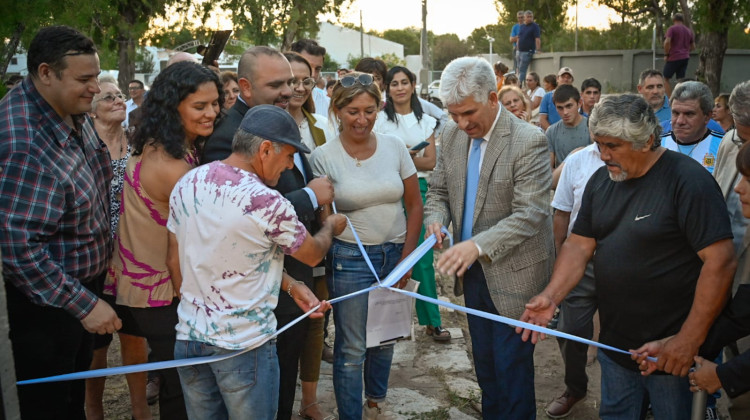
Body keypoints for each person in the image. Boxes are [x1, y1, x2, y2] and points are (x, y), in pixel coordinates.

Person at [518, 93, 736, 419]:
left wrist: (687, 339)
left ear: (647, 141)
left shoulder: (688, 182)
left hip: (671, 353)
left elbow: (721, 261)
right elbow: (579, 245)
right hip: (616, 348)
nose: (603, 155)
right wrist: (551, 296)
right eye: (599, 144)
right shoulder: (601, 181)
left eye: (613, 146)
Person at [167, 105, 343, 420]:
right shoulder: (267, 202)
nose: (290, 166)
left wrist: (291, 286)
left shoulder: (188, 182)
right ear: (264, 150)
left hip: (190, 340)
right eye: (288, 156)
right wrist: (331, 225)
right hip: (245, 347)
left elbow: (178, 258)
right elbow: (313, 252)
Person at [0, 25, 121, 419]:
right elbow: (18, 248)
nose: (95, 89)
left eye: (96, 77)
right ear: (46, 73)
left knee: (70, 399)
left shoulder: (71, 108)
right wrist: (84, 305)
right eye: (84, 80)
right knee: (48, 406)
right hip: (45, 307)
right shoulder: (23, 143)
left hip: (78, 288)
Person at [424, 56, 553, 418]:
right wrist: (436, 220)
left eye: (468, 113)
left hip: (514, 274)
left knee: (511, 370)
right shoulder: (449, 135)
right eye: (453, 114)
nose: (462, 123)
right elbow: (438, 192)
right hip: (473, 274)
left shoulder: (529, 141)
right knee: (484, 365)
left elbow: (531, 213)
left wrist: (477, 245)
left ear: (493, 99)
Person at [104, 61, 222, 420]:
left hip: (144, 287)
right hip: (158, 294)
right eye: (200, 106)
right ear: (172, 108)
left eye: (215, 103)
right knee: (183, 392)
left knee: (179, 386)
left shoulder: (161, 144)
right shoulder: (173, 167)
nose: (212, 113)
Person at [310, 72, 423, 419]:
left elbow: (415, 205)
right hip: (351, 259)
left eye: (370, 110)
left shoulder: (394, 147)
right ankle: (350, 414)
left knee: (386, 335)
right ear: (337, 111)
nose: (362, 119)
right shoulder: (323, 156)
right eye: (353, 111)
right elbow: (326, 219)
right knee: (353, 345)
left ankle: (376, 400)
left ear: (380, 108)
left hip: (395, 253)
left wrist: (407, 259)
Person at [84, 76, 146, 420]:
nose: (119, 100)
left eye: (121, 95)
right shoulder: (82, 146)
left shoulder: (138, 144)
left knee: (135, 336)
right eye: (109, 97)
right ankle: (94, 408)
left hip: (133, 256)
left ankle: (140, 410)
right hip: (95, 260)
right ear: (92, 111)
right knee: (97, 344)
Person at [374, 66, 450, 343]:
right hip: (388, 191)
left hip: (418, 190)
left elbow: (430, 161)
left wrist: (400, 158)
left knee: (422, 258)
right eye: (394, 83)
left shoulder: (425, 120)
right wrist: (404, 158)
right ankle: (391, 325)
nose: (400, 88)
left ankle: (432, 321)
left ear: (413, 85)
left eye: (404, 82)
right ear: (387, 88)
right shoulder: (380, 120)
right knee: (389, 256)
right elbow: (378, 158)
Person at [281, 51, 336, 420]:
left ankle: (310, 399)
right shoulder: (267, 124)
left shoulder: (319, 125)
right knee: (288, 325)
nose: (301, 86)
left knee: (317, 317)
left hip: (318, 232)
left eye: (308, 78)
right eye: (293, 80)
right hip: (282, 240)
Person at [546, 139, 603, 418]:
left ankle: (636, 398)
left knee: (629, 333)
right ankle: (575, 388)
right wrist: (560, 261)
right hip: (580, 260)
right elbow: (562, 212)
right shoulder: (578, 160)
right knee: (569, 329)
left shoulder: (641, 159)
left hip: (624, 264)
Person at [202, 46, 294, 162]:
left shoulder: (279, 120)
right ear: (246, 87)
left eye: (290, 82)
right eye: (275, 85)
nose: (288, 91)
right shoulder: (227, 140)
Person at [661, 81, 724, 173]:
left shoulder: (722, 146)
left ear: (707, 116)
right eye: (675, 113)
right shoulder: (657, 144)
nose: (680, 121)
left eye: (689, 114)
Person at [547, 85, 589, 167]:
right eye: (560, 108)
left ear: (579, 103)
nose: (565, 112)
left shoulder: (591, 128)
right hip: (561, 178)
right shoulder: (551, 132)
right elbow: (548, 170)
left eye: (569, 106)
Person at [291, 38, 331, 118]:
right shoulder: (274, 100)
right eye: (307, 66)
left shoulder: (328, 105)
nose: (312, 74)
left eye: (317, 69)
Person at [663, 13, 695, 96]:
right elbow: (693, 47)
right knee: (680, 80)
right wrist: (685, 51)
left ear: (674, 20)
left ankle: (670, 100)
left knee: (665, 78)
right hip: (685, 58)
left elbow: (667, 42)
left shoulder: (672, 29)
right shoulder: (688, 31)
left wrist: (666, 54)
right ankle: (679, 98)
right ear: (682, 20)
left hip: (674, 57)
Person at [517, 10, 541, 87]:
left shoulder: (535, 26)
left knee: (522, 70)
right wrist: (517, 48)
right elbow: (519, 37)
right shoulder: (522, 26)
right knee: (518, 69)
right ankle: (519, 83)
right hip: (520, 51)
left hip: (527, 52)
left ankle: (519, 85)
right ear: (524, 17)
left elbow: (537, 38)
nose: (530, 18)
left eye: (531, 17)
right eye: (528, 17)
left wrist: (538, 49)